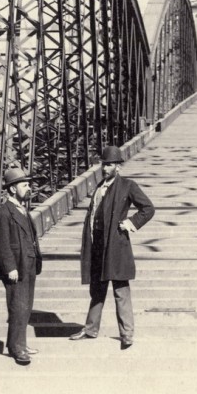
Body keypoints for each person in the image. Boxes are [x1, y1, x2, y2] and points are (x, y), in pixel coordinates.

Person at [70, 145, 155, 349]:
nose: (105, 168)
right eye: (104, 164)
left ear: (118, 167)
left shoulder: (128, 185)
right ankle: (90, 329)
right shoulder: (100, 187)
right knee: (97, 288)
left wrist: (131, 223)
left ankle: (127, 334)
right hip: (98, 245)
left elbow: (148, 208)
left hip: (116, 246)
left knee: (120, 289)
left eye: (109, 165)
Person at [0, 166, 43, 365]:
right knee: (17, 307)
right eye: (24, 185)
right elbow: (1, 243)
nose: (29, 188)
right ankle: (16, 348)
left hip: (29, 264)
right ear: (12, 189)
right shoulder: (4, 214)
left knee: (26, 307)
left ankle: (20, 341)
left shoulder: (23, 210)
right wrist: (9, 267)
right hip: (16, 267)